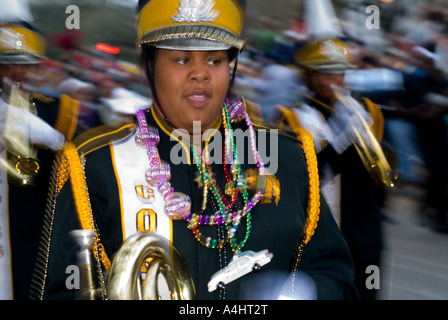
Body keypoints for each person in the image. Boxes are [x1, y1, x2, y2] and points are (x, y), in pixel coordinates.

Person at [30, 0, 359, 300]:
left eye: (215, 60)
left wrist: (308, 293)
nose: (200, 73)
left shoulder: (287, 156)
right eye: (181, 58)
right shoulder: (95, 163)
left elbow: (334, 273)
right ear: (149, 66)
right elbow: (63, 290)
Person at [270, 38, 389, 300]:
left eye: (341, 73)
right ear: (310, 77)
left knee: (368, 284)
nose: (337, 80)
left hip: (362, 216)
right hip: (322, 217)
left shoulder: (368, 111)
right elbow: (302, 171)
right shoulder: (292, 117)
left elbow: (377, 165)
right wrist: (340, 141)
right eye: (328, 73)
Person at [0, 20, 76, 299]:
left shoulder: (60, 112)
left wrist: (57, 144)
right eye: (6, 63)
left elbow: (82, 173)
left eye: (24, 63)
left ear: (39, 65)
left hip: (33, 234)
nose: (15, 71)